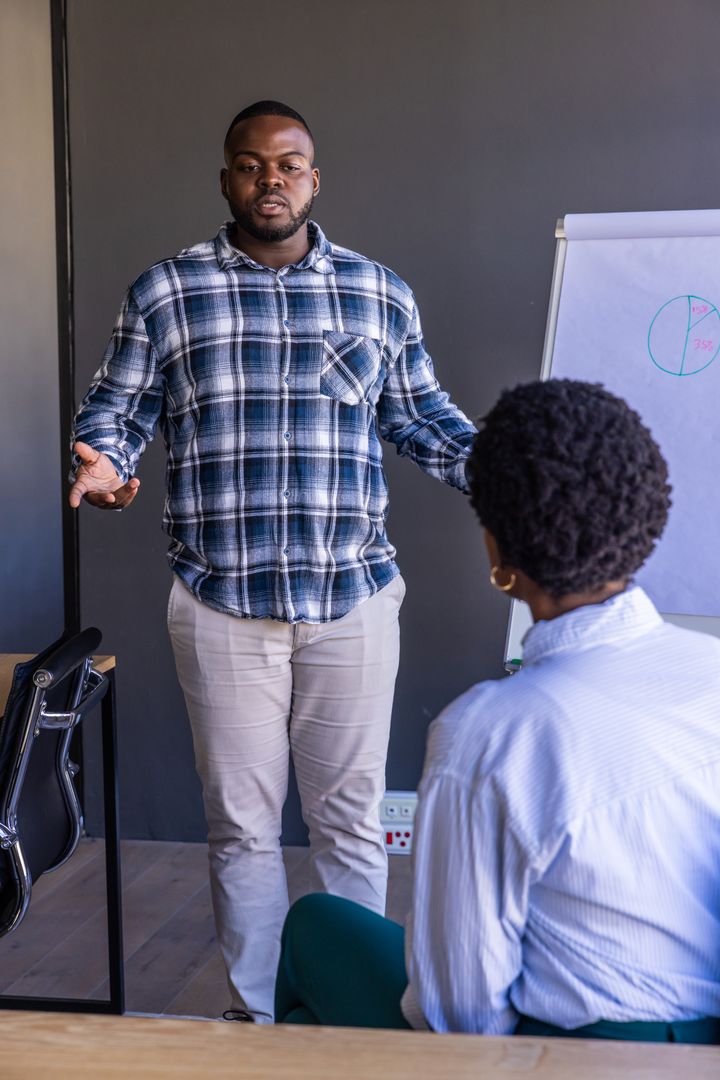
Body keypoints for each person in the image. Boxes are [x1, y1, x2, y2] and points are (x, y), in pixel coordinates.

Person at [69, 100, 476, 1022]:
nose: (271, 180)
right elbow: (115, 414)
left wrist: (510, 472)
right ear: (226, 181)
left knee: (349, 819)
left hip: (354, 596)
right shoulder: (166, 292)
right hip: (221, 602)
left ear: (314, 178)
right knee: (242, 828)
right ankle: (257, 1015)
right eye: (251, 166)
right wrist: (107, 466)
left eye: (289, 164)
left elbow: (423, 417)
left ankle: (355, 1009)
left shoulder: (380, 292)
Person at [275, 378, 720, 1044]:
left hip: (575, 1057)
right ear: (648, 516)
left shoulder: (488, 731)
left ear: (497, 553)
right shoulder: (710, 668)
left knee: (315, 927)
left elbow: (461, 1014)